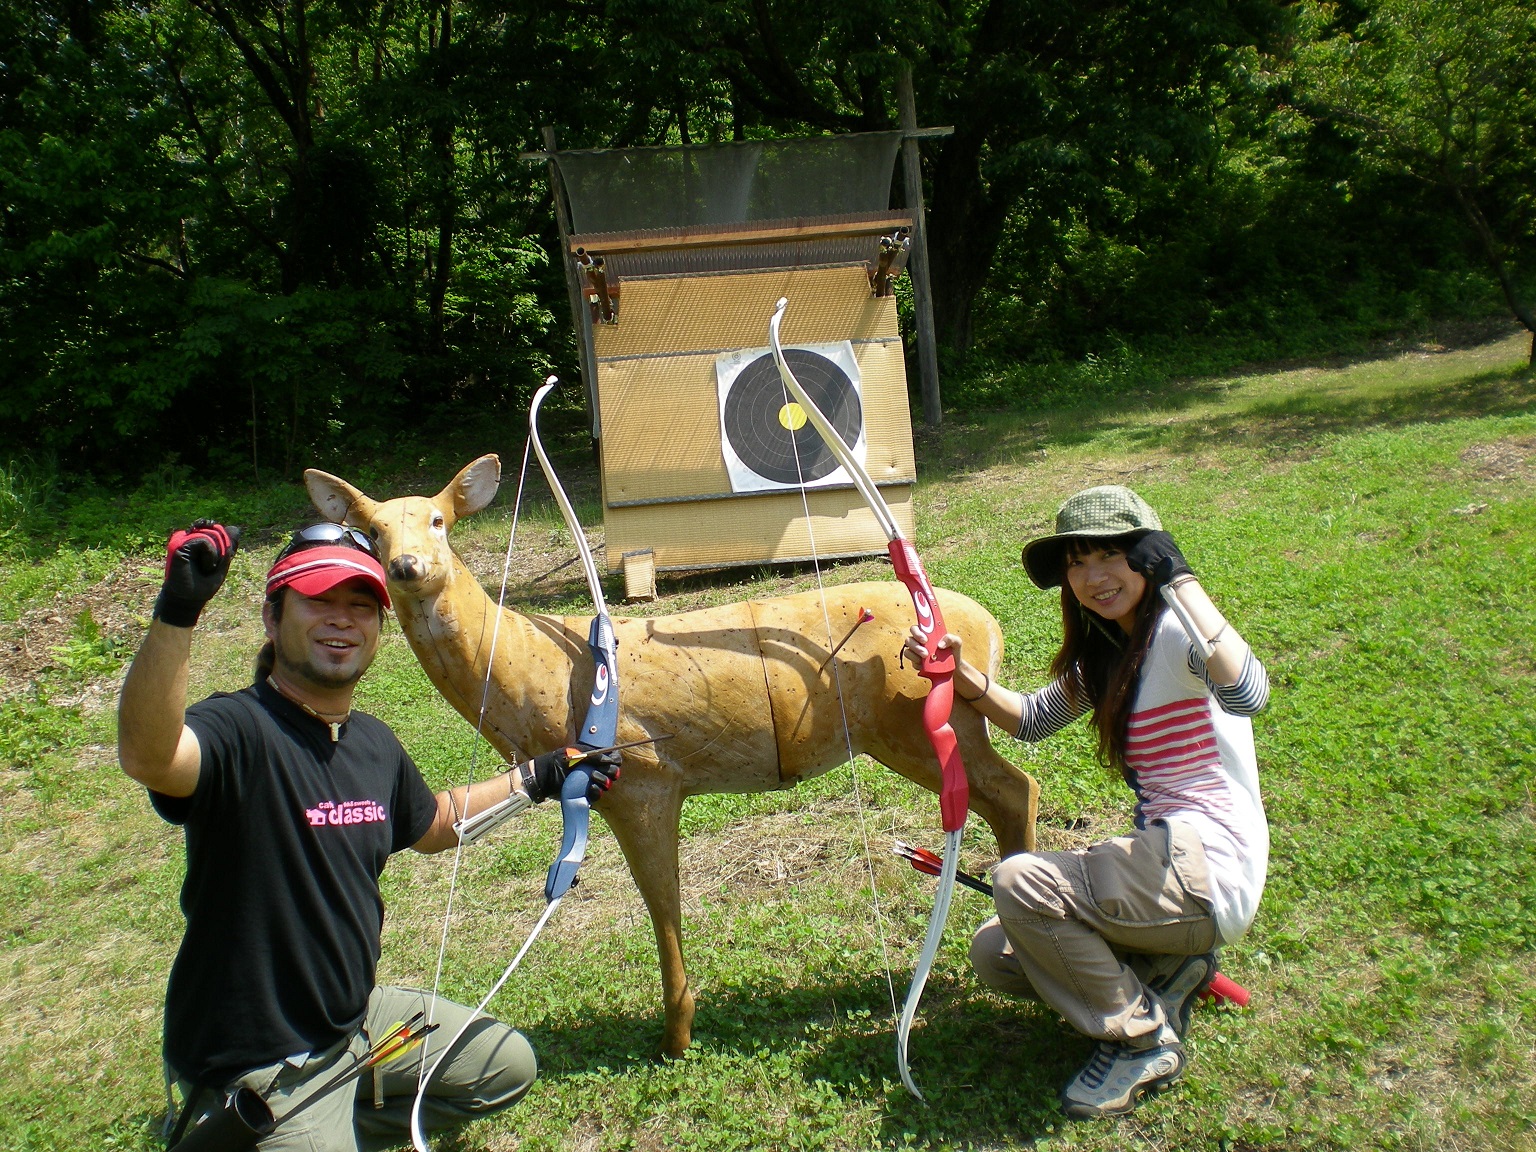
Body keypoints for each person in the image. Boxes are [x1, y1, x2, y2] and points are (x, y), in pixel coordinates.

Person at [117, 520, 621, 1150]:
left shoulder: (372, 742)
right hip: (259, 1058)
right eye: (318, 601)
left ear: (379, 630)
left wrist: (541, 776)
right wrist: (178, 610)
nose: (341, 620)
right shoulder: (237, 729)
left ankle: (330, 1127)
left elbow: (434, 825)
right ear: (273, 621)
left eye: (360, 606)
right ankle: (235, 1126)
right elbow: (150, 755)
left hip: (353, 1025)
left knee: (505, 1065)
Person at [905, 485, 1269, 1120]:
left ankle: (1141, 1039)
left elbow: (1245, 689)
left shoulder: (1179, 636)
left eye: (1111, 557)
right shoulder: (1109, 655)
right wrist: (961, 677)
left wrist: (1181, 578)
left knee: (1021, 881)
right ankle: (1165, 972)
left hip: (1207, 868)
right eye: (1077, 563)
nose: (1093, 578)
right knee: (996, 953)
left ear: (1147, 558)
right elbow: (1030, 719)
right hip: (1168, 870)